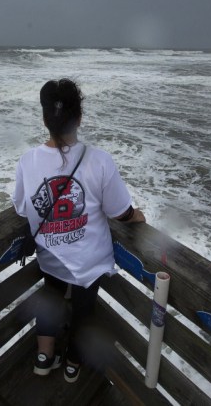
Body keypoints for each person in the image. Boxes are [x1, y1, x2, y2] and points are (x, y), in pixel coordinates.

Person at [11, 78, 145, 383]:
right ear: (79, 118)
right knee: (85, 311)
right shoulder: (100, 161)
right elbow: (119, 212)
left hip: (51, 256)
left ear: (46, 119)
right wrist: (138, 217)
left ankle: (44, 357)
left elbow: (21, 207)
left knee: (50, 298)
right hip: (88, 263)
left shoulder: (27, 161)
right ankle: (73, 364)